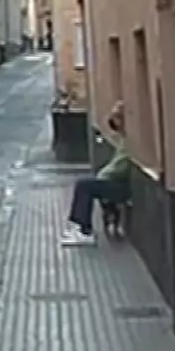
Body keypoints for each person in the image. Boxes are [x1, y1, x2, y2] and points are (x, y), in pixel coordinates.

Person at [60, 101, 132, 247]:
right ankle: (79, 226)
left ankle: (84, 230)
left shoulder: (130, 144)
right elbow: (113, 124)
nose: (116, 124)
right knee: (85, 184)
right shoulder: (125, 138)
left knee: (84, 185)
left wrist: (101, 176)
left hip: (123, 186)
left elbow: (118, 168)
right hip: (118, 182)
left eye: (118, 119)